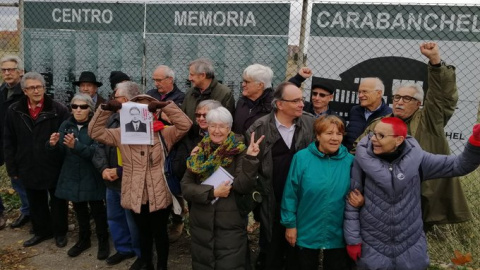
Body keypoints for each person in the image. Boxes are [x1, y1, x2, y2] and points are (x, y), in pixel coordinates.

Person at [354, 42, 470, 229]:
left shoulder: (430, 119)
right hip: (385, 195)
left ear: (418, 104)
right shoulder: (379, 124)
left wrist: (435, 63)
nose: (399, 102)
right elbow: (358, 151)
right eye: (397, 98)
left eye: (407, 99)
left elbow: (443, 96)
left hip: (422, 194)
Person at [344, 117, 480, 270]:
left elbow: (459, 165)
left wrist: (476, 140)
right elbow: (352, 204)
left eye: (381, 136)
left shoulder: (418, 161)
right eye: (373, 134)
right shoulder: (361, 162)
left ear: (399, 140)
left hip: (409, 249)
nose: (373, 139)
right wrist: (353, 240)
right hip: (373, 247)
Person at [89, 94, 192, 270]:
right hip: (135, 191)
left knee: (160, 233)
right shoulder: (122, 134)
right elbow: (94, 132)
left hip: (158, 190)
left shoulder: (164, 133)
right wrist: (105, 109)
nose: (143, 115)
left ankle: (161, 266)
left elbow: (185, 125)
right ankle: (146, 263)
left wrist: (165, 106)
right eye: (137, 110)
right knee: (142, 232)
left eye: (148, 110)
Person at [181, 107, 264, 269]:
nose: (216, 130)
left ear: (229, 128)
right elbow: (186, 187)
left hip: (229, 223)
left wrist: (251, 159)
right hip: (202, 223)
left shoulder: (240, 151)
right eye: (212, 126)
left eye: (222, 126)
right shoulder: (199, 153)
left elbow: (242, 186)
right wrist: (212, 192)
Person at [246, 82, 315, 269]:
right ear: (280, 104)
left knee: (297, 250)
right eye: (295, 101)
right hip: (272, 200)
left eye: (302, 99)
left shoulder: (310, 123)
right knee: (272, 248)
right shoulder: (258, 129)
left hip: (301, 201)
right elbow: (252, 168)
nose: (302, 104)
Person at [4, 72, 69, 247]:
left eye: (39, 87)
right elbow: (9, 140)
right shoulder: (14, 110)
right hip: (27, 162)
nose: (36, 91)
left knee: (58, 200)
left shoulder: (58, 109)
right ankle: (42, 231)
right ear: (24, 90)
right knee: (35, 199)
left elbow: (66, 137)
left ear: (44, 88)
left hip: (53, 163)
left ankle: (60, 232)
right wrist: (12, 167)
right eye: (32, 88)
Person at [281, 115, 354, 270]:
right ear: (318, 135)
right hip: (306, 229)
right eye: (329, 133)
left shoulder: (350, 161)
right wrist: (290, 225)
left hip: (338, 232)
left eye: (339, 134)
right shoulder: (301, 158)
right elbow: (290, 194)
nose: (335, 138)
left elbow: (358, 191)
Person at [48, 94, 109, 259]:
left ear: (90, 109)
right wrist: (53, 145)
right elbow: (60, 152)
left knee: (97, 209)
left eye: (83, 107)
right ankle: (84, 239)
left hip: (92, 174)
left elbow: (96, 153)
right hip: (72, 174)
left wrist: (77, 146)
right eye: (75, 106)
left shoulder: (96, 127)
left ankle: (103, 240)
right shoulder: (66, 125)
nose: (78, 110)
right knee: (79, 209)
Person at [92, 81, 142, 267]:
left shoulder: (141, 121)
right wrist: (104, 168)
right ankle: (123, 249)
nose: (112, 100)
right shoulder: (110, 118)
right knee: (115, 217)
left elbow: (143, 157)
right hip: (111, 181)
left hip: (130, 181)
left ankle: (140, 253)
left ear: (127, 99)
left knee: (134, 222)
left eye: (116, 97)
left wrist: (119, 171)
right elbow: (97, 144)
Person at [168, 99, 222, 243]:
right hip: (195, 187)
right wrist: (191, 159)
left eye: (205, 115)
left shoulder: (225, 135)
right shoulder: (190, 134)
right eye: (198, 115)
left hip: (219, 189)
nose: (201, 118)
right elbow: (180, 163)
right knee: (198, 223)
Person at [0, 55, 30, 229]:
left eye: (11, 69)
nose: (7, 73)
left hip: (20, 144)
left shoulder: (25, 93)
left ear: (20, 72)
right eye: (4, 70)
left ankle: (31, 212)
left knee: (21, 179)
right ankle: (26, 210)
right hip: (4, 141)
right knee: (14, 178)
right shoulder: (2, 91)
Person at [343, 77, 392, 151]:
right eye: (359, 92)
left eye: (365, 92)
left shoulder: (390, 115)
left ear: (378, 93)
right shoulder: (355, 110)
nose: (360, 96)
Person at [181, 58, 235, 122]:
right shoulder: (190, 93)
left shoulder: (224, 94)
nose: (189, 78)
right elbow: (183, 116)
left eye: (192, 75)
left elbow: (226, 121)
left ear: (203, 75)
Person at [232, 64, 274, 135]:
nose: (243, 84)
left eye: (247, 82)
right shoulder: (241, 102)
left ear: (260, 85)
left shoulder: (273, 106)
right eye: (243, 81)